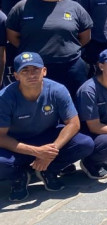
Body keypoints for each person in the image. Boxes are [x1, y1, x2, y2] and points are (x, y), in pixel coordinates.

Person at [0, 52, 96, 202]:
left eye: (35, 69)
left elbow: (73, 123)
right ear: (16, 75)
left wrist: (51, 151)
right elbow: (1, 136)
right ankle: (19, 177)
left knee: (85, 144)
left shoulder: (57, 90)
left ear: (44, 71)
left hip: (47, 136)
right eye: (25, 71)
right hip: (16, 142)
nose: (31, 74)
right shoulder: (4, 97)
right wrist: (37, 151)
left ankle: (49, 170)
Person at [6, 0, 92, 95]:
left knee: (75, 108)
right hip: (35, 70)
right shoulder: (22, 7)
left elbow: (85, 37)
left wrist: (66, 49)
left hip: (71, 67)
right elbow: (12, 36)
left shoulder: (75, 8)